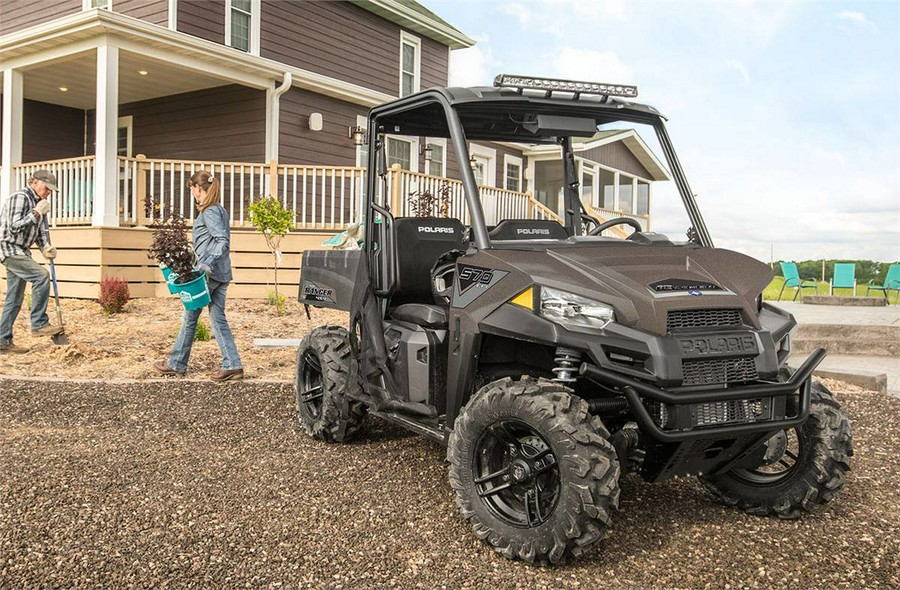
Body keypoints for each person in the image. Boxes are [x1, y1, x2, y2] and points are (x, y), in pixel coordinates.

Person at [153, 170, 244, 381]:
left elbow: (222, 240)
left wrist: (205, 263)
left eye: (192, 189)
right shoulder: (219, 210)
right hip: (221, 273)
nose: (192, 193)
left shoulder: (210, 211)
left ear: (197, 188)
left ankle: (176, 363)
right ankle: (233, 365)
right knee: (218, 319)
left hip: (209, 274)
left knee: (190, 316)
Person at [0, 170, 63, 354]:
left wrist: (45, 248)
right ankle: (39, 323)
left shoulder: (40, 203)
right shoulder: (20, 197)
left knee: (14, 298)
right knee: (41, 276)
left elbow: (41, 232)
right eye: (47, 188)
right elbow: (14, 227)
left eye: (51, 190)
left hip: (22, 251)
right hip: (9, 248)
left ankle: (2, 341)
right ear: (34, 182)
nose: (49, 192)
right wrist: (36, 212)